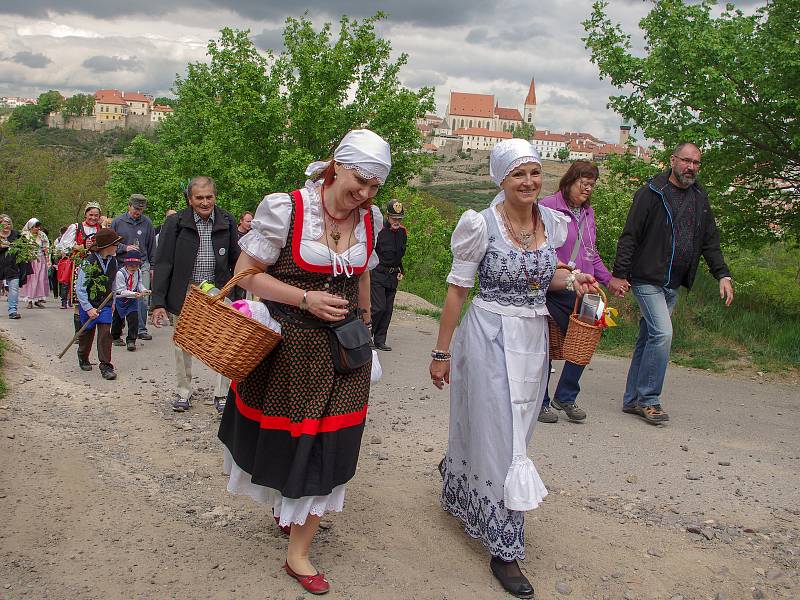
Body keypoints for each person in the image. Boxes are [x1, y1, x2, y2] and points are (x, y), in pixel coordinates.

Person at [217, 129, 388, 596]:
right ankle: (286, 510)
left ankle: (298, 552)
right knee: (293, 441)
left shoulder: (370, 219)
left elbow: (364, 275)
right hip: (291, 351)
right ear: (336, 165)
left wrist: (367, 324)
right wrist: (305, 297)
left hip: (344, 354)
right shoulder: (288, 208)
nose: (366, 194)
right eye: (360, 181)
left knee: (330, 443)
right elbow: (245, 276)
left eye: (375, 186)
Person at [429, 139, 598, 599]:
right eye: (518, 174)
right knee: (503, 436)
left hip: (532, 338)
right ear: (501, 179)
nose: (528, 182)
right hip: (486, 335)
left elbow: (545, 275)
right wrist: (442, 352)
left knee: (518, 429)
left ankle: (461, 490)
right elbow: (456, 292)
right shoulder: (479, 225)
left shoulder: (553, 223)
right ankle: (506, 548)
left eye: (535, 173)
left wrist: (572, 277)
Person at [609, 142, 733, 424]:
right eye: (686, 161)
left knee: (648, 338)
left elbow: (709, 241)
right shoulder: (652, 192)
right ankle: (649, 400)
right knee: (663, 334)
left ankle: (632, 400)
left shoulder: (700, 198)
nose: (691, 167)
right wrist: (619, 274)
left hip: (673, 282)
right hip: (646, 278)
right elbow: (630, 235)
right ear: (673, 160)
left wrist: (722, 274)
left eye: (696, 163)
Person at [150, 176, 240, 413]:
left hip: (218, 291)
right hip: (186, 291)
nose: (205, 202)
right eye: (199, 197)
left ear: (215, 197)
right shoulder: (175, 223)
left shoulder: (227, 220)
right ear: (190, 199)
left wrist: (237, 294)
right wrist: (158, 302)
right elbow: (163, 262)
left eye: (209, 196)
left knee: (224, 343)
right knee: (183, 344)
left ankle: (222, 394)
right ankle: (183, 391)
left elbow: (237, 260)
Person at [537, 161, 614, 424]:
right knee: (545, 343)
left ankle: (566, 395)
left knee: (587, 338)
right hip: (556, 285)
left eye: (592, 184)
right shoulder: (548, 206)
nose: (588, 188)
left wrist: (610, 279)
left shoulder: (588, 214)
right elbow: (539, 247)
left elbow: (592, 254)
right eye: (584, 183)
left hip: (585, 289)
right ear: (570, 181)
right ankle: (541, 401)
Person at [75, 228, 123, 380]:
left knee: (104, 335)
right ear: (107, 246)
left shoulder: (113, 261)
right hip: (88, 304)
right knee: (87, 334)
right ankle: (83, 356)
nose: (117, 247)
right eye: (115, 244)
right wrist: (88, 308)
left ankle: (106, 365)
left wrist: (113, 302)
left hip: (106, 305)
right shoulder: (88, 263)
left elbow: (113, 284)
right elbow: (80, 288)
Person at [112, 194, 156, 341]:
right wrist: (125, 247)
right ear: (129, 205)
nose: (138, 212)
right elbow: (111, 244)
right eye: (136, 208)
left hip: (142, 263)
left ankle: (141, 328)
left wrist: (152, 266)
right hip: (122, 264)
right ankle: (120, 326)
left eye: (141, 209)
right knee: (122, 295)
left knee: (142, 297)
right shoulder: (118, 222)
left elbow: (151, 245)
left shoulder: (147, 222)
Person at [57, 202, 103, 333]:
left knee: (95, 297)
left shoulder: (101, 228)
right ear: (85, 214)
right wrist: (81, 246)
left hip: (96, 265)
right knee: (79, 299)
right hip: (80, 266)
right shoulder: (76, 227)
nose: (93, 218)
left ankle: (92, 328)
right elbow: (64, 246)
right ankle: (80, 331)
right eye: (91, 215)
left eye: (96, 215)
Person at [370, 199, 407, 351]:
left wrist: (401, 270)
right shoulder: (379, 231)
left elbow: (400, 254)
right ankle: (367, 337)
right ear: (387, 216)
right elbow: (372, 253)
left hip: (393, 276)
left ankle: (379, 340)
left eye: (399, 219)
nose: (396, 221)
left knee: (387, 310)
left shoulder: (402, 232)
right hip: (378, 273)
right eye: (394, 218)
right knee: (378, 307)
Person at [111, 249, 149, 352]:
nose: (134, 267)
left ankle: (131, 340)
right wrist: (134, 294)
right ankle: (115, 337)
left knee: (133, 319)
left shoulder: (138, 272)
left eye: (136, 265)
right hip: (121, 299)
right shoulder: (120, 273)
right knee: (117, 319)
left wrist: (144, 290)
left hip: (132, 300)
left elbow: (139, 284)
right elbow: (120, 290)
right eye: (131, 265)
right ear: (126, 264)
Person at [19, 218, 51, 309]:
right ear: (31, 227)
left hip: (40, 260)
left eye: (39, 227)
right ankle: (30, 300)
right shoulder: (25, 235)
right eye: (36, 227)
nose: (38, 228)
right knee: (31, 280)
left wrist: (47, 258)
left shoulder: (42, 235)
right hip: (30, 260)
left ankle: (38, 300)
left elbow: (46, 247)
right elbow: (21, 247)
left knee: (40, 279)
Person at [0, 215, 22, 319]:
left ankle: (12, 311)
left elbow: (24, 247)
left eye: (8, 223)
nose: (6, 226)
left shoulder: (16, 235)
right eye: (4, 223)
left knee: (14, 289)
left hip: (12, 266)